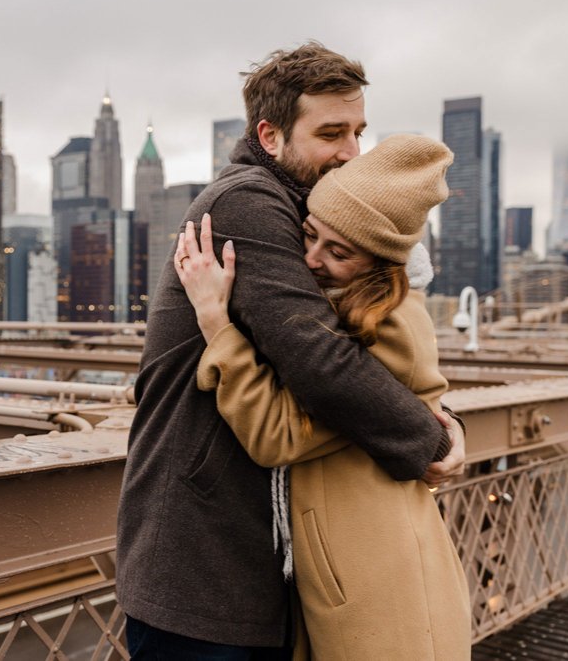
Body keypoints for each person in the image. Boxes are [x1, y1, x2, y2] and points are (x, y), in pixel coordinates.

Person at [114, 42, 465, 658]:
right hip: (204, 562)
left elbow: (378, 346)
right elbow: (320, 358)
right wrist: (431, 437)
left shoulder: (320, 207)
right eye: (331, 133)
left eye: (358, 131)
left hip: (257, 564)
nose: (350, 152)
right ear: (270, 135)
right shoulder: (247, 201)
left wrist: (441, 415)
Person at [175, 134, 472, 659]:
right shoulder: (345, 309)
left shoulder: (390, 330)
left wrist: (216, 322)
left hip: (378, 584)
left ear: (382, 263)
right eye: (308, 236)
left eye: (339, 252)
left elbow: (276, 436)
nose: (310, 260)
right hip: (352, 565)